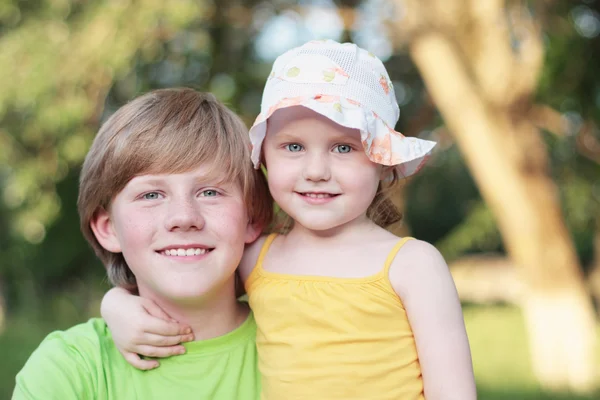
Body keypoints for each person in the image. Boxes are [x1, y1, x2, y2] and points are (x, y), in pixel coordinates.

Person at [102, 40, 477, 399]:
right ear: (264, 158)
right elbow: (183, 291)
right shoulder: (257, 258)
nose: (315, 171)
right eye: (293, 147)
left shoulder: (412, 265)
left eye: (343, 147)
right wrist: (116, 307)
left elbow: (452, 392)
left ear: (382, 161)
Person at [13, 88, 273, 399]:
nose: (183, 217)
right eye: (151, 195)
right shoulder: (70, 367)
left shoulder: (301, 342)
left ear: (252, 218)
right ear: (108, 228)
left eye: (210, 192)